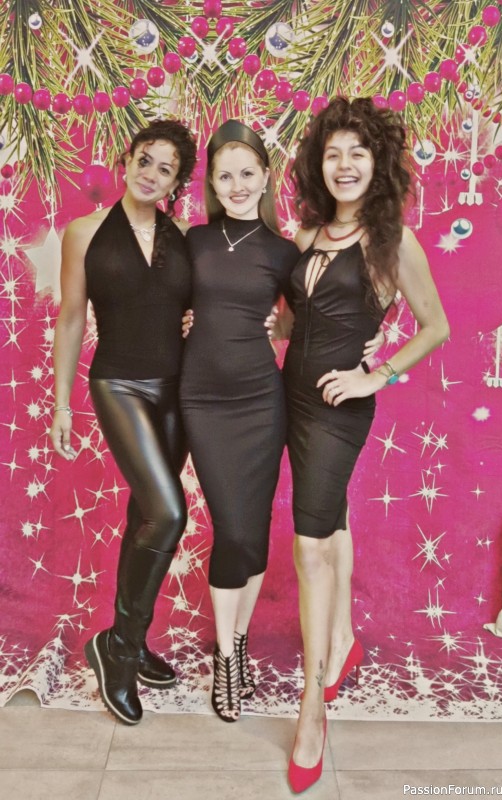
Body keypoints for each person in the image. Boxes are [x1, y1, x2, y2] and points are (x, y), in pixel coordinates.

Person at [277, 97, 449, 793]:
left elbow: (435, 325)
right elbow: (292, 325)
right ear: (318, 164)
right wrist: (224, 321)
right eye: (333, 153)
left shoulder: (392, 241)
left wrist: (378, 375)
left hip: (337, 410)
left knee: (310, 545)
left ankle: (312, 708)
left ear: (378, 165)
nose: (344, 164)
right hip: (287, 399)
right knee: (331, 522)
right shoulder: (307, 236)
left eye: (358, 153)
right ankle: (342, 642)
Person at [49, 119, 197, 725]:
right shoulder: (84, 232)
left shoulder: (183, 235)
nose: (151, 174)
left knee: (145, 518)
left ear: (176, 183)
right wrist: (61, 404)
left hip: (177, 391)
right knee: (169, 512)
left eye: (166, 169)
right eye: (145, 160)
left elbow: (197, 307)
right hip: (119, 384)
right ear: (127, 160)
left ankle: (121, 637)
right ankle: (123, 651)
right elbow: (70, 318)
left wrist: (197, 320)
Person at [179, 120, 301, 722]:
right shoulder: (193, 241)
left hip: (261, 403)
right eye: (225, 175)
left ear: (266, 176)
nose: (237, 185)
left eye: (247, 173)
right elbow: (165, 303)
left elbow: (306, 319)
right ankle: (226, 659)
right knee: (231, 528)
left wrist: (283, 326)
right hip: (203, 400)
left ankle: (238, 643)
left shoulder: (283, 251)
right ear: (211, 183)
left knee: (251, 533)